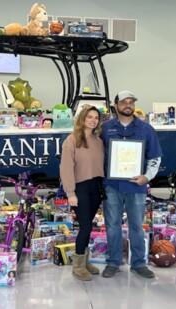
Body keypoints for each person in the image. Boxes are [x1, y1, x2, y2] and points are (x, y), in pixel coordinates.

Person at [101, 90, 162, 279]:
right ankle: (113, 262)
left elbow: (155, 157)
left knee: (137, 225)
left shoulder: (146, 129)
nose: (128, 105)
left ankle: (138, 263)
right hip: (111, 185)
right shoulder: (104, 128)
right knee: (112, 225)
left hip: (137, 186)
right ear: (115, 106)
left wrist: (147, 177)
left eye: (131, 102)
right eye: (124, 102)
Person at [60, 106, 104, 281]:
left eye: (96, 118)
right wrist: (70, 192)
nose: (93, 120)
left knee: (89, 226)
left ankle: (84, 261)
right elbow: (66, 168)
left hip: (96, 187)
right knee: (84, 226)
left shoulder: (98, 140)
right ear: (82, 119)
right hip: (80, 188)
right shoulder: (72, 140)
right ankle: (78, 266)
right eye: (89, 117)